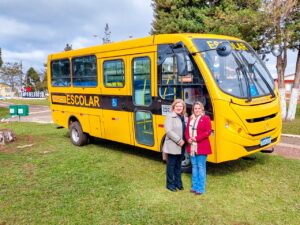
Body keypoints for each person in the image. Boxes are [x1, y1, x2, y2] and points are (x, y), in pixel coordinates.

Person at [185, 101, 212, 195]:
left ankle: (200, 188)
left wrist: (196, 138)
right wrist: (188, 139)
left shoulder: (206, 118)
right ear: (193, 109)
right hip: (191, 146)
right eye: (195, 108)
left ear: (202, 109)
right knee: (194, 167)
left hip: (201, 147)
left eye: (199, 108)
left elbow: (208, 132)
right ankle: (194, 186)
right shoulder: (190, 118)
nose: (197, 110)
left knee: (201, 167)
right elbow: (186, 132)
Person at [162, 99, 186, 192]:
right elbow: (168, 131)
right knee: (171, 166)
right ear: (173, 107)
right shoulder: (170, 116)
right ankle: (169, 184)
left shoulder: (183, 116)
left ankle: (178, 183)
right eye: (177, 106)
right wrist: (179, 140)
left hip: (182, 146)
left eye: (181, 106)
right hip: (174, 145)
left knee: (178, 166)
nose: (179, 108)